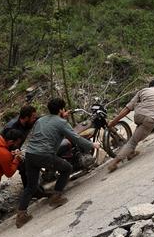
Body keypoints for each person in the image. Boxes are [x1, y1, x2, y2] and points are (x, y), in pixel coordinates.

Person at [15, 98, 98, 228]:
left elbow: (49, 127)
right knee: (66, 168)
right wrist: (92, 144)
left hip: (30, 155)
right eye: (63, 109)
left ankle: (21, 216)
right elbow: (75, 138)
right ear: (60, 109)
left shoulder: (40, 120)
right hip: (44, 155)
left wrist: (61, 117)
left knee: (31, 186)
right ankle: (56, 197)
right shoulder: (61, 122)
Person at [1, 105, 47, 198]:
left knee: (30, 162)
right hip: (6, 151)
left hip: (17, 149)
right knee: (25, 166)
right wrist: (15, 155)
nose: (35, 119)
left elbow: (42, 119)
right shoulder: (11, 127)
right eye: (33, 117)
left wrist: (59, 116)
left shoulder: (28, 122)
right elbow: (4, 144)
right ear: (26, 118)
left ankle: (32, 189)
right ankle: (31, 191)